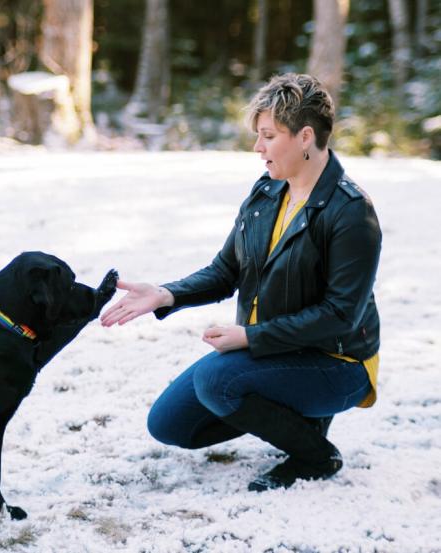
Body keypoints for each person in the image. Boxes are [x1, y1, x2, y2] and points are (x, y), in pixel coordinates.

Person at [100, 73, 381, 492]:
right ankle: (297, 419)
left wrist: (250, 338)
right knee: (170, 425)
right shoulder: (268, 192)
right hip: (277, 350)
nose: (257, 147)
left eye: (268, 136)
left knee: (218, 382)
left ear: (305, 137)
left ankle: (315, 454)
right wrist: (166, 294)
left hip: (337, 363)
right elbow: (226, 270)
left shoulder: (351, 213)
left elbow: (340, 317)